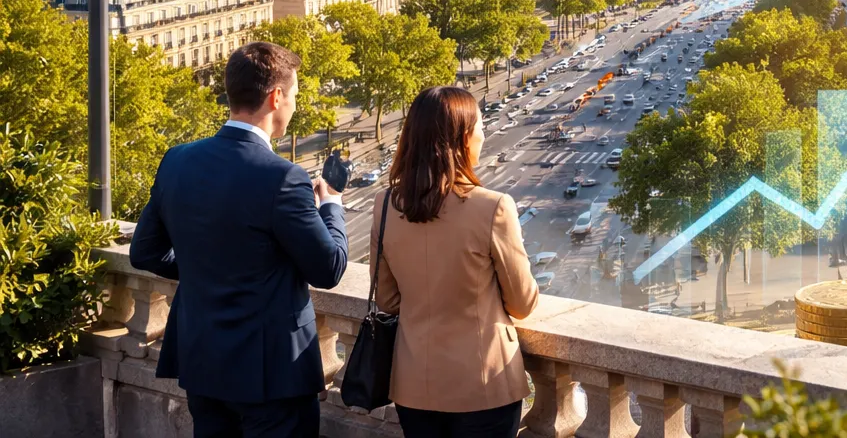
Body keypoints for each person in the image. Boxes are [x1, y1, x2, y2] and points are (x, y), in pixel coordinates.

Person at [130, 41, 348, 438]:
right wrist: (331, 205)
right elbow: (329, 269)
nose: (295, 106)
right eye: (294, 96)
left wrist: (207, 268)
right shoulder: (283, 177)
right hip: (273, 373)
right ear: (276, 97)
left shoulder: (177, 159)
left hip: (203, 360)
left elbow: (145, 252)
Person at [372, 86, 540, 438]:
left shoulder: (386, 205)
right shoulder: (493, 207)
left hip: (414, 386)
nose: (484, 134)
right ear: (464, 138)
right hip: (483, 385)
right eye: (481, 126)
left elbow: (387, 300)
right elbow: (522, 304)